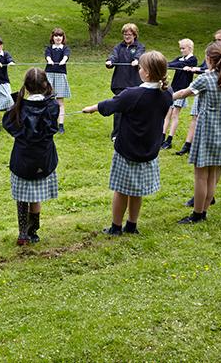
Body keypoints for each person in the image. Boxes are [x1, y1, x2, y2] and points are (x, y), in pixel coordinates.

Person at [84, 51, 173, 235]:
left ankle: (116, 228)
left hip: (127, 150)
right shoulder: (167, 92)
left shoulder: (133, 94)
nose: (138, 70)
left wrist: (91, 109)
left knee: (121, 190)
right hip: (148, 149)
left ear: (146, 72)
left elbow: (109, 106)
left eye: (140, 67)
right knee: (137, 190)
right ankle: (132, 225)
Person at [173, 42, 221, 223]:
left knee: (201, 177)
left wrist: (166, 95)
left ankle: (197, 214)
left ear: (208, 59)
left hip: (207, 133)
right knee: (214, 174)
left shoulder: (205, 79)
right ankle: (204, 211)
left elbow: (183, 94)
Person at [3, 68, 60, 245]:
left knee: (23, 197)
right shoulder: (53, 106)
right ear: (45, 85)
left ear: (26, 87)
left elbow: (8, 124)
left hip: (24, 160)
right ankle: (31, 232)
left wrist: (16, 105)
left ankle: (24, 232)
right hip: (42, 159)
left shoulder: (18, 108)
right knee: (35, 197)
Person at [106, 23, 145, 140]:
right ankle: (116, 134)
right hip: (120, 82)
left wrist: (137, 60)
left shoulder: (140, 46)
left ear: (134, 35)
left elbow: (139, 55)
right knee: (118, 108)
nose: (126, 37)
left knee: (134, 109)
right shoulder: (119, 46)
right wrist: (110, 61)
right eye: (125, 34)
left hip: (134, 83)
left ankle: (132, 132)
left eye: (129, 34)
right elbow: (114, 56)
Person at [161, 38, 197, 150]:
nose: (181, 50)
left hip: (183, 89)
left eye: (183, 48)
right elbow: (172, 63)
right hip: (173, 88)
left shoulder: (192, 59)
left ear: (190, 48)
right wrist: (162, 64)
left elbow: (180, 64)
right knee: (168, 113)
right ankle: (161, 137)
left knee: (175, 113)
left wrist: (179, 65)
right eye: (180, 48)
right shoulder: (180, 58)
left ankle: (169, 140)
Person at [44, 28, 71, 133]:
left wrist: (63, 61)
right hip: (49, 75)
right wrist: (50, 61)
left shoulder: (65, 48)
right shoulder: (49, 48)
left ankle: (60, 125)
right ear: (53, 38)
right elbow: (48, 56)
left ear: (63, 37)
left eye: (60, 36)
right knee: (49, 100)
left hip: (60, 75)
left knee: (60, 102)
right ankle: (49, 124)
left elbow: (66, 56)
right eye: (56, 36)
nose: (58, 38)